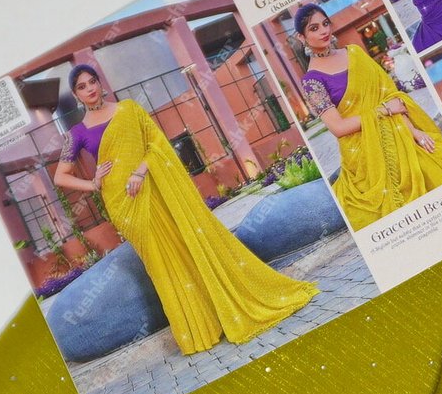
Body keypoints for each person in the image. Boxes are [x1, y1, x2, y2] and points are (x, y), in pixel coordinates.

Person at [52, 64, 317, 353]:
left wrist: (140, 171)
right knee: (161, 264)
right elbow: (60, 177)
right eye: (82, 87)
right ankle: (197, 329)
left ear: (99, 83)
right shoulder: (76, 133)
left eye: (92, 81)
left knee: (188, 244)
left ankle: (220, 311)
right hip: (123, 204)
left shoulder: (128, 109)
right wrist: (93, 184)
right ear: (77, 95)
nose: (90, 89)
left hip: (154, 188)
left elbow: (156, 144)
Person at [294, 3, 442, 228]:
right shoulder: (312, 81)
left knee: (440, 161)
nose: (324, 31)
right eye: (314, 28)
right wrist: (384, 111)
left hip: (398, 129)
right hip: (365, 149)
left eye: (325, 23)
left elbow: (390, 96)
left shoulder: (354, 52)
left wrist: (413, 131)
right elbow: (339, 128)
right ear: (301, 37)